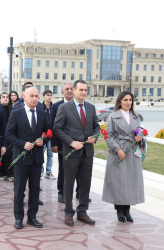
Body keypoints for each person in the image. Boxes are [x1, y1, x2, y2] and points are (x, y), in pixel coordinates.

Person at [53, 80, 100, 227]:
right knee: (68, 183)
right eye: (81, 90)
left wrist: (95, 136)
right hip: (71, 152)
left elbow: (97, 127)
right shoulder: (64, 107)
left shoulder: (91, 108)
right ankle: (68, 212)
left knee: (85, 184)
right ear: (73, 90)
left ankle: (82, 212)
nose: (83, 93)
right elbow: (57, 128)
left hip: (87, 153)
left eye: (85, 90)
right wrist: (71, 142)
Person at [6, 87, 49, 230]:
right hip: (21, 158)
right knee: (19, 189)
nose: (35, 98)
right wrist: (22, 144)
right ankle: (18, 217)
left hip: (36, 159)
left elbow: (48, 132)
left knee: (35, 189)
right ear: (24, 96)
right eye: (32, 96)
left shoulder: (42, 114)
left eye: (37, 96)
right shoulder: (16, 113)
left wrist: (44, 139)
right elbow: (9, 134)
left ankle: (32, 217)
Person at [102, 91, 145, 223]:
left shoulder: (136, 118)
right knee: (119, 182)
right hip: (119, 152)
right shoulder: (113, 117)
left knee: (130, 182)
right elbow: (107, 135)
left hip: (132, 153)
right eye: (125, 100)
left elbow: (141, 134)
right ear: (120, 101)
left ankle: (127, 210)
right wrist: (117, 149)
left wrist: (139, 138)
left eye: (130, 100)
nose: (128, 102)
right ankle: (119, 210)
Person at [50, 83, 74, 203]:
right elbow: (53, 126)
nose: (69, 91)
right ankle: (61, 192)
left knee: (78, 169)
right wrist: (53, 143)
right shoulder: (56, 106)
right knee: (63, 168)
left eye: (71, 89)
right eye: (67, 89)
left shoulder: (78, 105)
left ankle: (78, 191)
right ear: (62, 92)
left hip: (77, 143)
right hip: (61, 143)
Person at [0, 92, 13, 181]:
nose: (5, 98)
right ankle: (1, 172)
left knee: (10, 155)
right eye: (3, 97)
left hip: (10, 134)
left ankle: (10, 173)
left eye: (7, 97)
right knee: (1, 154)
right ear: (0, 99)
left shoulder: (12, 109)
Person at [41, 89, 54, 179]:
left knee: (50, 153)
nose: (49, 97)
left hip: (52, 134)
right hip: (43, 134)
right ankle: (40, 171)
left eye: (50, 95)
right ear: (44, 96)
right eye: (47, 95)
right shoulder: (40, 107)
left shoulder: (54, 107)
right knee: (41, 153)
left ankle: (48, 171)